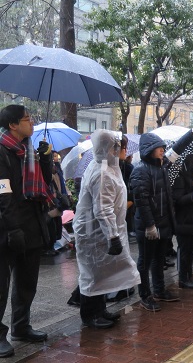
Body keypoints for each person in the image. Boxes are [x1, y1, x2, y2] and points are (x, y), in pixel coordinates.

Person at [72, 130, 141, 329]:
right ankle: (90, 315)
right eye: (117, 146)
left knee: (100, 272)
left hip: (101, 231)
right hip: (94, 232)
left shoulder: (109, 167)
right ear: (108, 149)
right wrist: (113, 236)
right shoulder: (102, 172)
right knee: (92, 273)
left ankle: (99, 310)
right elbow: (102, 209)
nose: (120, 149)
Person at [0, 105, 54, 358]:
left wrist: (44, 159)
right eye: (27, 119)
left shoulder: (28, 150)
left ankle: (21, 327)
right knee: (1, 286)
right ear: (12, 124)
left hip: (31, 224)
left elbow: (40, 184)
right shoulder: (2, 151)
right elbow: (3, 194)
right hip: (8, 228)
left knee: (26, 282)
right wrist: (13, 228)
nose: (31, 123)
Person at [130, 132, 180, 312]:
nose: (162, 150)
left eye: (163, 147)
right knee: (145, 261)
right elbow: (141, 202)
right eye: (159, 148)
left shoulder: (162, 166)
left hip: (164, 224)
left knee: (159, 260)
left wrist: (192, 133)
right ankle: (145, 295)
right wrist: (150, 225)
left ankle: (159, 290)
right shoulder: (140, 171)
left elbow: (178, 149)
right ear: (149, 150)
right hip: (149, 227)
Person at [172, 155, 193, 288]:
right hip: (184, 222)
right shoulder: (181, 179)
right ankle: (182, 278)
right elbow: (179, 200)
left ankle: (188, 276)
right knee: (184, 250)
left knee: (190, 250)